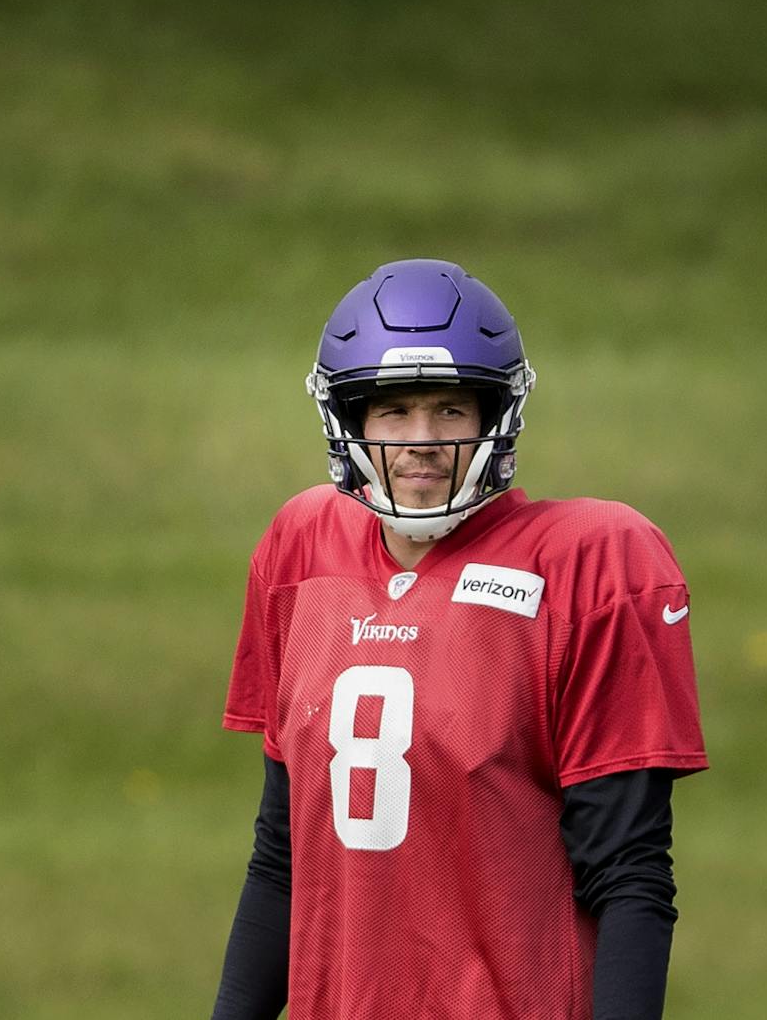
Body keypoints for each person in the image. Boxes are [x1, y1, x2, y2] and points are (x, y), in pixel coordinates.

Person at [211, 259, 707, 1020]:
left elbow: (630, 874)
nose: (423, 440)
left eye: (450, 409)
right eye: (394, 410)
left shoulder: (591, 564)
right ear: (350, 418)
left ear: (497, 413)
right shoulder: (301, 547)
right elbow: (283, 854)